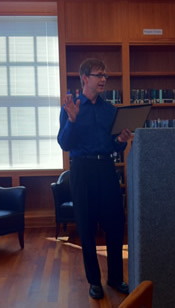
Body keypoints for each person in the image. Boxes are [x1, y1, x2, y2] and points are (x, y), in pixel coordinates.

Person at [57, 58, 132, 300]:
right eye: (99, 75)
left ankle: (115, 277)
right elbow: (64, 143)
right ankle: (94, 282)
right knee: (86, 228)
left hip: (106, 169)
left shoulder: (110, 110)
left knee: (115, 224)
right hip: (81, 171)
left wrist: (121, 141)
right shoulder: (71, 107)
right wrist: (72, 120)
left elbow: (113, 146)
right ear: (84, 78)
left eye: (105, 76)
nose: (103, 79)